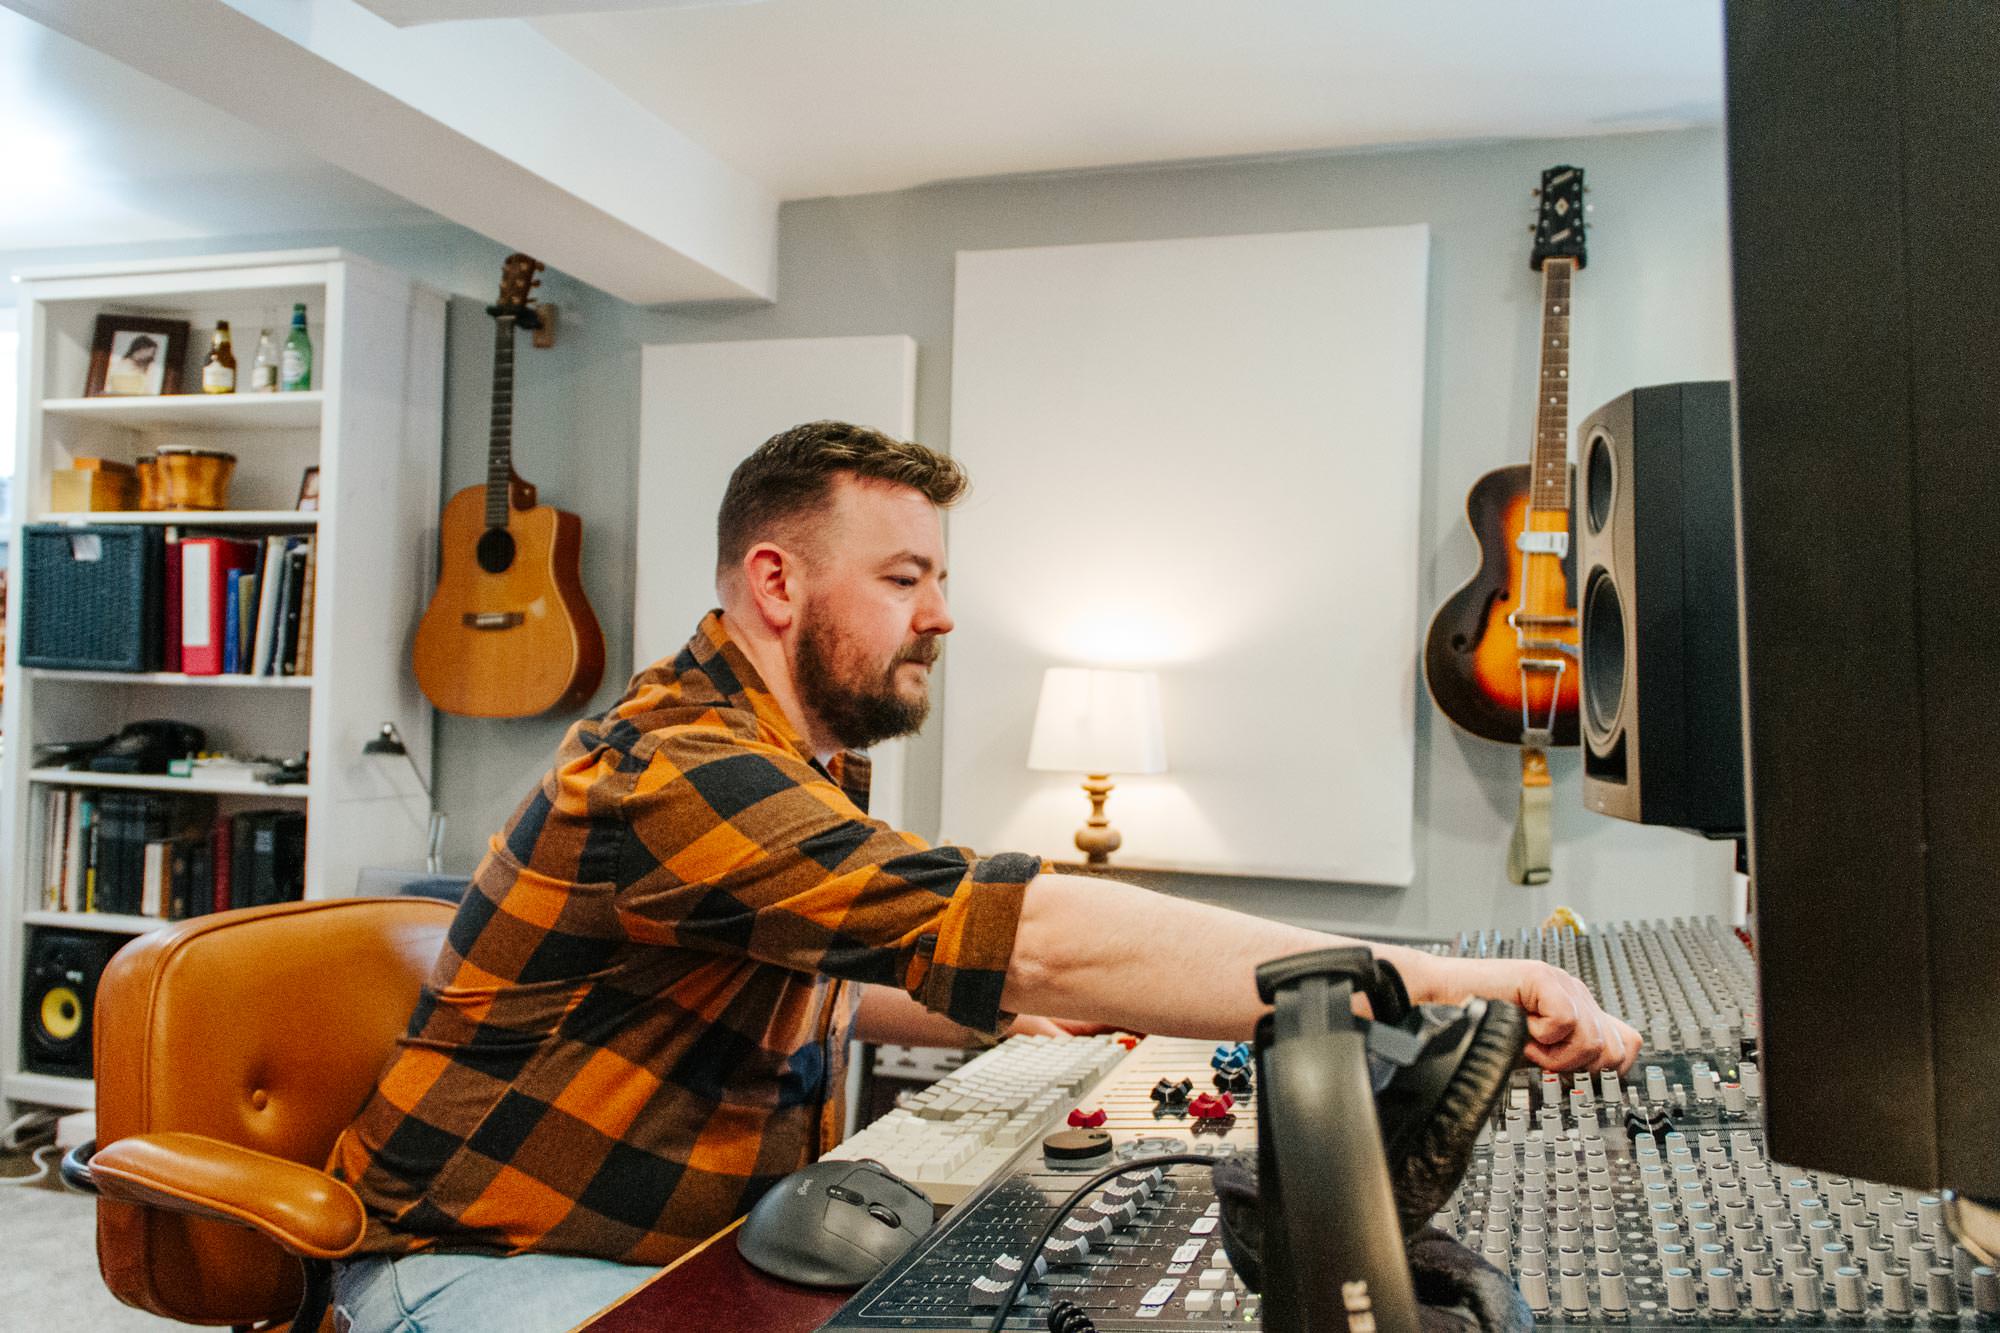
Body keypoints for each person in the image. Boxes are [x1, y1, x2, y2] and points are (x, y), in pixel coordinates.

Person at [329, 421, 1641, 1332]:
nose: (942, 613)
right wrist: (1449, 982)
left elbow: (811, 983)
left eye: (939, 577)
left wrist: (992, 1015)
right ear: (777, 582)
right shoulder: (681, 772)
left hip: (665, 1245)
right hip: (477, 1265)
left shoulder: (788, 757)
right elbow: (1033, 926)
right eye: (905, 577)